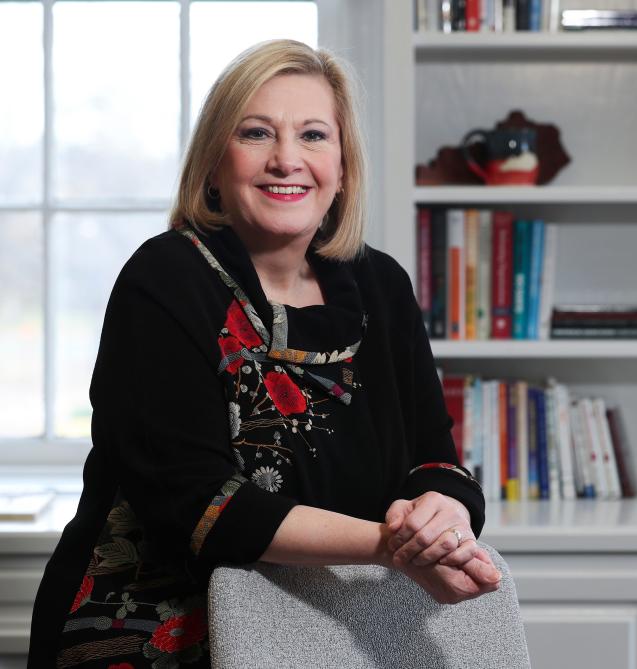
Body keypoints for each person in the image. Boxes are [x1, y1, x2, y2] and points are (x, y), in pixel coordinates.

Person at [28, 39, 499, 669]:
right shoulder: (165, 278)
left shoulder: (381, 285)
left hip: (333, 624)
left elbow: (435, 459)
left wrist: (444, 518)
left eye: (312, 135)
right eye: (256, 133)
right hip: (153, 630)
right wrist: (394, 546)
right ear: (214, 165)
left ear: (343, 165)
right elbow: (199, 506)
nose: (286, 160)